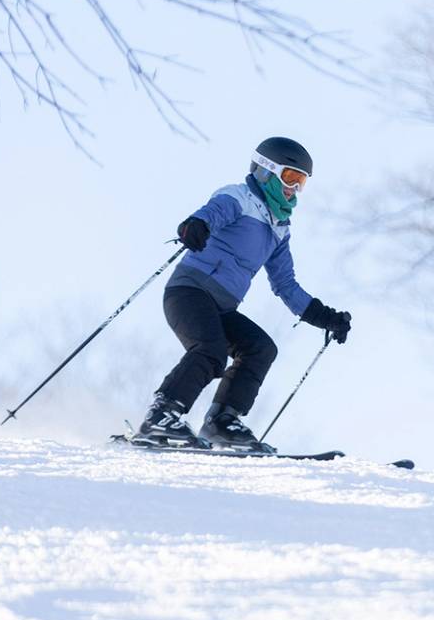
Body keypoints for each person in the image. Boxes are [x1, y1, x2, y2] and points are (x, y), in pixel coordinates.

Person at [133, 136, 353, 451]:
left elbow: (285, 285)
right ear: (267, 170)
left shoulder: (279, 228)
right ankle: (162, 413)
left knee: (260, 348)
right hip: (189, 292)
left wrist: (326, 318)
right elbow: (213, 212)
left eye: (301, 182)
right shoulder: (239, 197)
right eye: (290, 177)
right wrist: (195, 226)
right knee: (211, 350)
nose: (294, 189)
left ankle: (222, 421)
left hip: (221, 306)